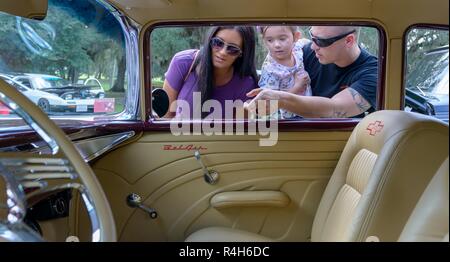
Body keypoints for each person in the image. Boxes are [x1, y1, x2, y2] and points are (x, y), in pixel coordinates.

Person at [246, 26, 378, 118]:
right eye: (312, 37)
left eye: (321, 41)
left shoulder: (372, 74)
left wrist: (280, 100)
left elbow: (335, 108)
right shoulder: (308, 52)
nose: (313, 45)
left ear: (349, 40)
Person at [163, 26, 258, 119]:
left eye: (232, 49)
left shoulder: (245, 85)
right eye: (218, 42)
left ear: (242, 53)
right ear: (210, 40)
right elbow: (166, 116)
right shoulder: (183, 62)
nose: (222, 52)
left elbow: (238, 130)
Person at [258, 25, 312, 119]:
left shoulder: (296, 48)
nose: (276, 45)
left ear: (295, 37)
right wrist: (297, 87)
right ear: (264, 41)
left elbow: (307, 42)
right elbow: (268, 106)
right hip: (291, 117)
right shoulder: (270, 70)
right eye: (270, 40)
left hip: (310, 105)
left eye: (282, 39)